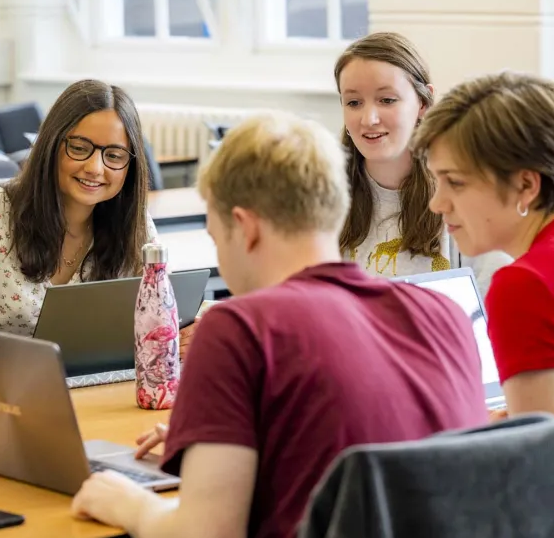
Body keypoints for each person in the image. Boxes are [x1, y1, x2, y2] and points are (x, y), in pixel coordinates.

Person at [71, 113, 489, 538]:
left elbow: (205, 534)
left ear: (246, 228)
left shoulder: (240, 330)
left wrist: (130, 504)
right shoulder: (445, 314)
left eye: (216, 238)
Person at [413, 71, 554, 419]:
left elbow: (545, 459)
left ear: (526, 186)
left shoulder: (525, 285)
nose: (436, 204)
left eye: (454, 182)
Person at [0, 79, 158, 337]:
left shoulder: (135, 223)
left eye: (113, 156)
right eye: (79, 148)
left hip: (107, 378)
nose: (95, 168)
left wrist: (185, 330)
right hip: (0, 376)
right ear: (51, 145)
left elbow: (154, 328)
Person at [335, 31, 509, 292]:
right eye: (354, 102)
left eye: (387, 100)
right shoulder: (324, 198)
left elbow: (490, 315)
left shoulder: (467, 197)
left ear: (423, 103)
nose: (368, 119)